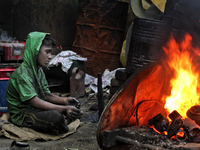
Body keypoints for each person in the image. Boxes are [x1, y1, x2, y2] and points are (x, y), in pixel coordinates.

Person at [6, 31, 82, 134]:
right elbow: (34, 101)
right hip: (23, 113)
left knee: (74, 106)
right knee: (55, 117)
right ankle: (63, 121)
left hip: (35, 109)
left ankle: (63, 121)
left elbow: (46, 95)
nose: (50, 56)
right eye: (47, 52)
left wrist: (65, 101)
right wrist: (63, 109)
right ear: (35, 51)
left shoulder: (38, 70)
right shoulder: (22, 74)